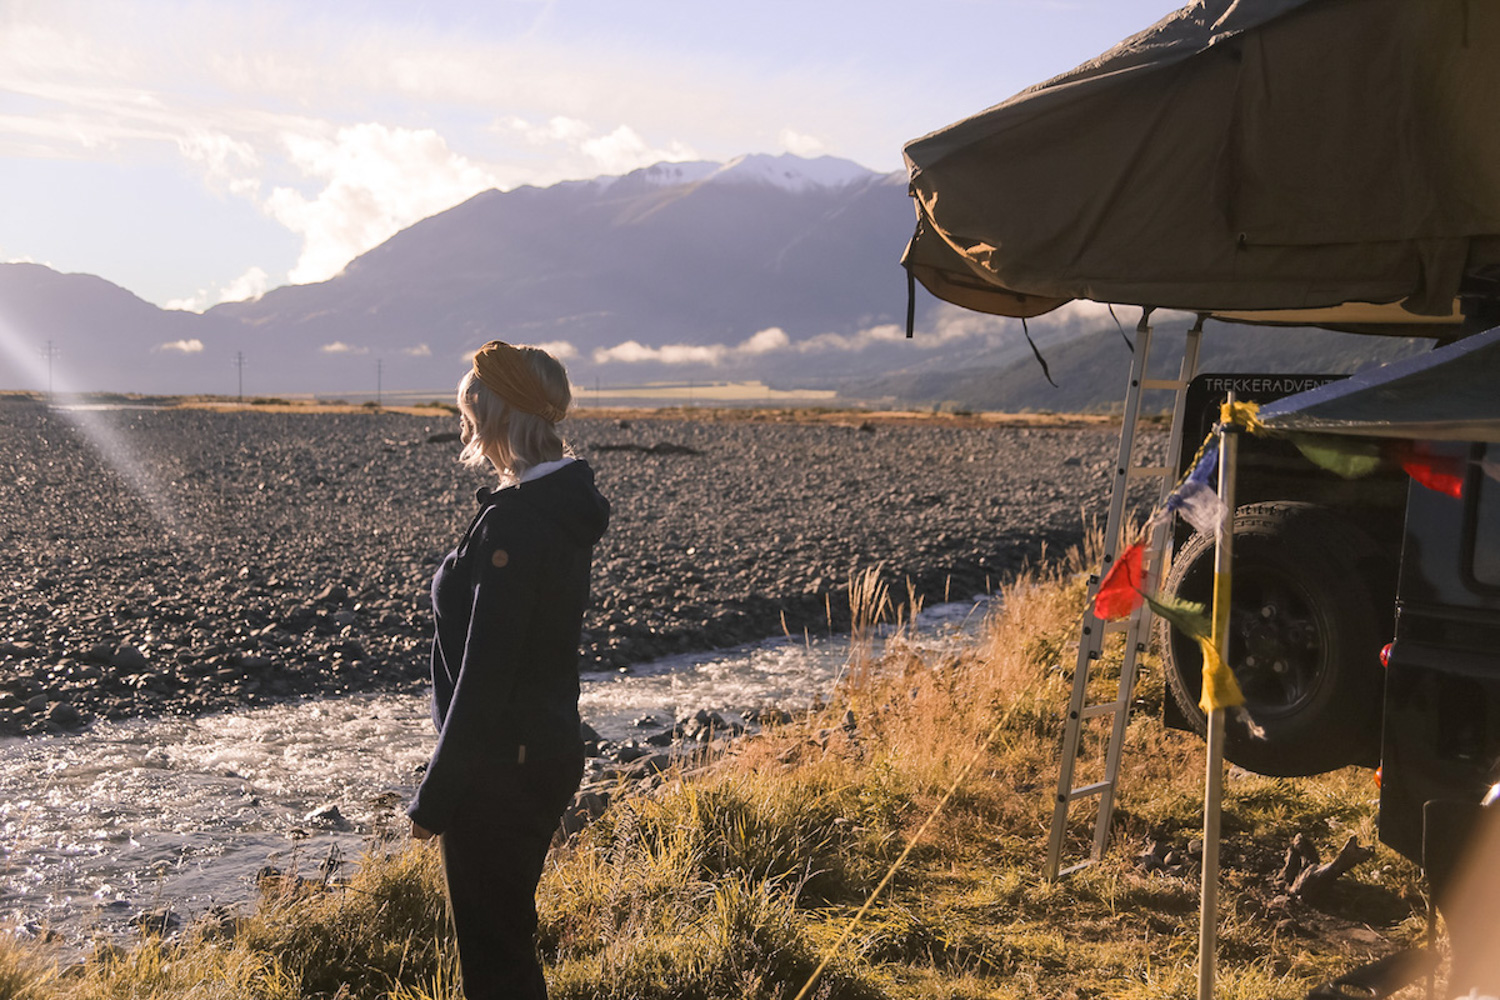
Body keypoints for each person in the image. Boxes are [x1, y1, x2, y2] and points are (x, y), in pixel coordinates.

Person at [407, 340, 610, 1000]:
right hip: (536, 751)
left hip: (501, 769)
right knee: (506, 945)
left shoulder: (517, 525)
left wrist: (436, 796)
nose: (465, 424)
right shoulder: (551, 504)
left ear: (498, 415)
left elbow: (486, 671)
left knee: (495, 962)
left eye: (471, 410)